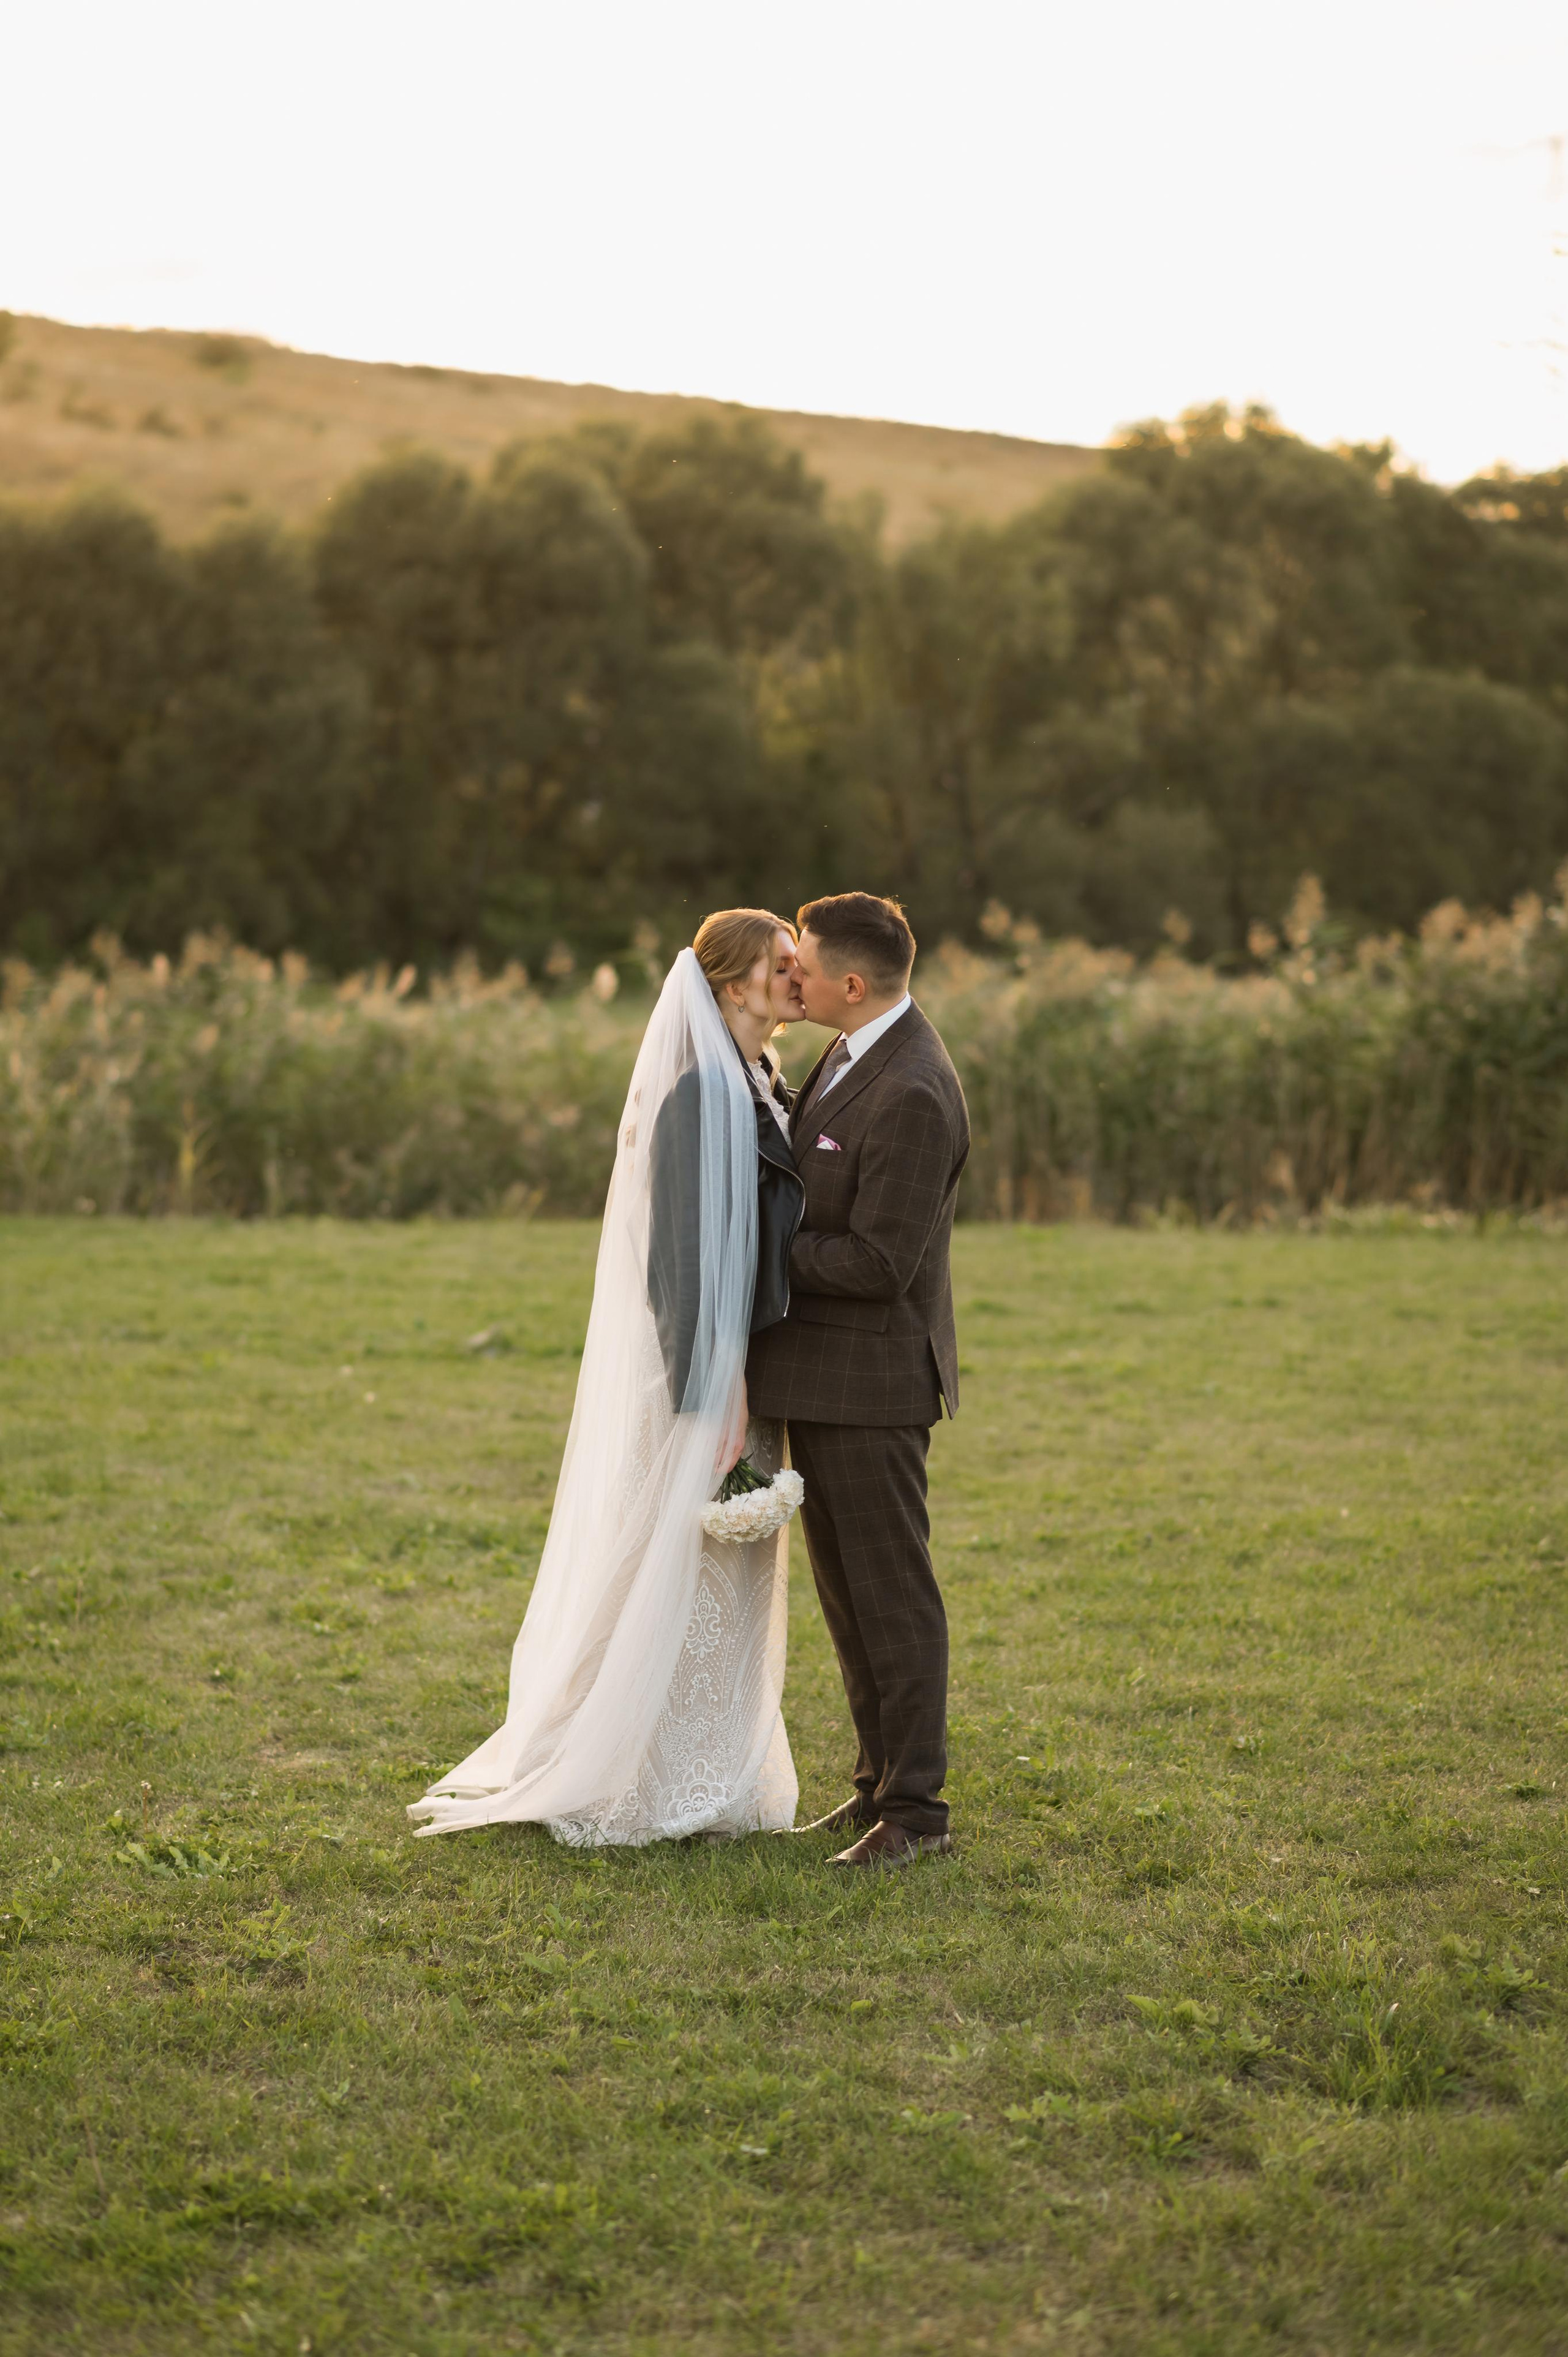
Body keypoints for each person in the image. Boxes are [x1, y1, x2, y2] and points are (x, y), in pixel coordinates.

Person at [409, 911, 807, 1847]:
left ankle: (713, 1765)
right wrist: (716, 1392)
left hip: (741, 1372)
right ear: (730, 985)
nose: (799, 976)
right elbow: (680, 1261)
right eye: (779, 966)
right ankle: (635, 1772)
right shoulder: (700, 1090)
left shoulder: (758, 1076)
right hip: (703, 1383)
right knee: (670, 1568)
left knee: (722, 1577)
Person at [747, 892, 970, 1870]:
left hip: (874, 1385)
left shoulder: (916, 1089)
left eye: (802, 967)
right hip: (821, 1378)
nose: (789, 979)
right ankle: (877, 1788)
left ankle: (919, 1814)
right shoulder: (846, 1053)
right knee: (847, 1596)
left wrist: (759, 1252)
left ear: (850, 982)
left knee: (893, 1595)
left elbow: (883, 1263)